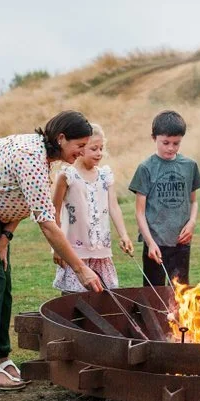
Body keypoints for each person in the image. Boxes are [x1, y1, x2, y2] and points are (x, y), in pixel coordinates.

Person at [0, 110, 104, 392]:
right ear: (61, 138)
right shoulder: (31, 157)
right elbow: (48, 224)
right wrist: (81, 268)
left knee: (2, 283)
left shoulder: (44, 156)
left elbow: (20, 197)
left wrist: (5, 236)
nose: (81, 152)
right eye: (79, 145)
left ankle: (1, 357)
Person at [50, 123, 162, 293]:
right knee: (74, 299)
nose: (99, 153)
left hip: (101, 250)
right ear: (81, 148)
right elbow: (54, 213)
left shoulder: (105, 175)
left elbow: (113, 207)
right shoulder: (67, 176)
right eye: (94, 148)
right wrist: (57, 248)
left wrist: (124, 235)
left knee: (105, 297)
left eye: (101, 148)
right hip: (74, 251)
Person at [129, 109, 200, 286]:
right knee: (155, 295)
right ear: (154, 138)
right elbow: (139, 212)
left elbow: (194, 201)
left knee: (182, 295)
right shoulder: (146, 168)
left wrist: (192, 222)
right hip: (155, 243)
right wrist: (150, 243)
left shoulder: (189, 166)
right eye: (165, 142)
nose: (171, 148)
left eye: (176, 143)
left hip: (181, 243)